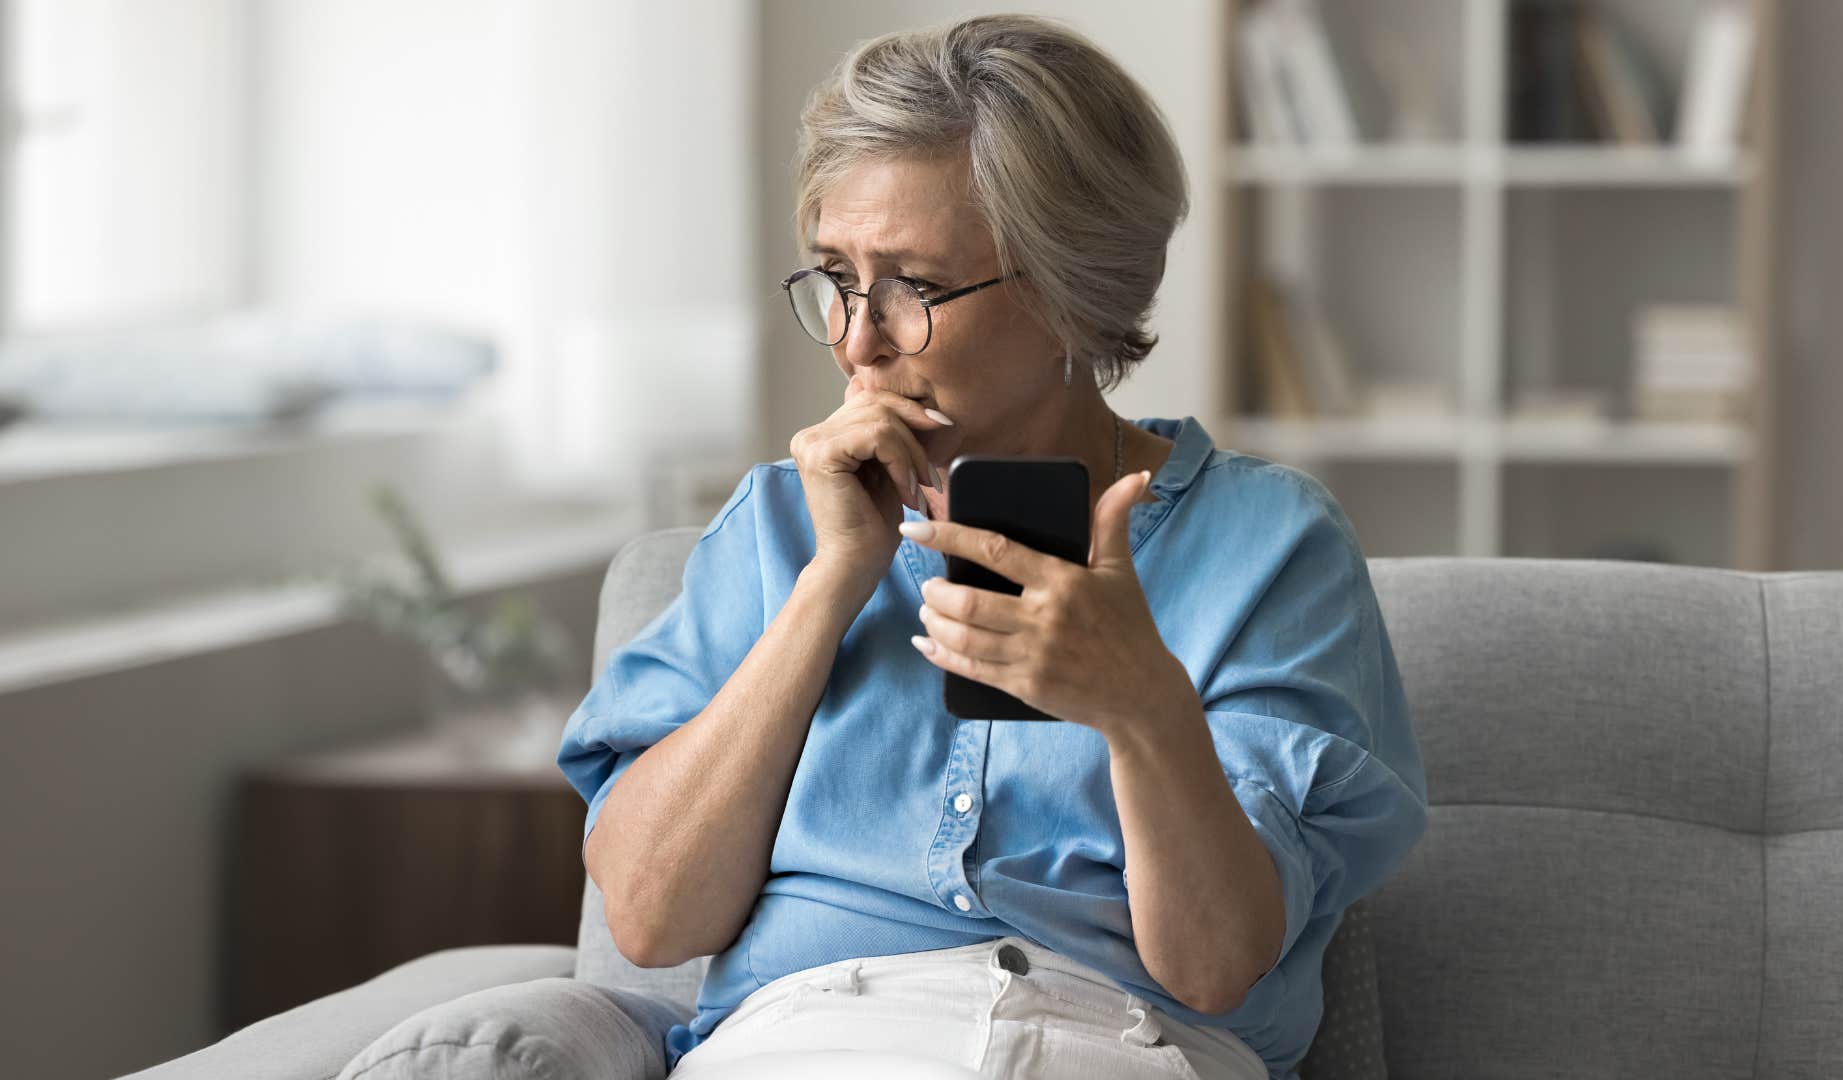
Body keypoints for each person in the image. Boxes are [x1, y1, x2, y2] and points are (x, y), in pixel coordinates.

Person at [337, 13, 1427, 1080]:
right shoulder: (777, 528)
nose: (858, 340)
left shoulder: (1268, 544)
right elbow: (654, 920)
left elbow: (1215, 966)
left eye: (915, 287)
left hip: (1122, 1046)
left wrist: (1144, 710)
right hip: (803, 1043)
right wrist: (829, 586)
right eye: (839, 278)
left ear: (1070, 293)